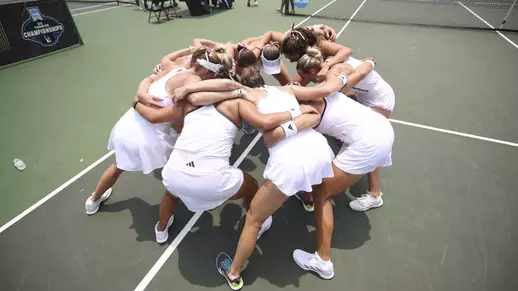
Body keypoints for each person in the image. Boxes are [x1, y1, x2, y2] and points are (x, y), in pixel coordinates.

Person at [171, 67, 350, 290]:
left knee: (254, 219)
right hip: (320, 150)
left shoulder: (245, 94)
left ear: (241, 83)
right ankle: (308, 199)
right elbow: (317, 99)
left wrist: (192, 88)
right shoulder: (286, 89)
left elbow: (200, 97)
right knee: (321, 195)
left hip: (290, 162)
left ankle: (233, 271)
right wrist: (305, 112)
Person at [147, 73, 320, 243]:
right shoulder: (237, 103)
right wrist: (296, 111)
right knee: (251, 184)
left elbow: (170, 121)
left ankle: (161, 229)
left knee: (171, 195)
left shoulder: (190, 103)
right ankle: (258, 222)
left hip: (173, 173)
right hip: (210, 181)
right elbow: (266, 122)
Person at [263, 59, 394, 280]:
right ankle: (374, 194)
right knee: (329, 176)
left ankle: (322, 261)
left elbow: (274, 137)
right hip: (380, 128)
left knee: (322, 194)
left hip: (369, 143)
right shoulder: (326, 92)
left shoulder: (308, 110)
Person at [85, 46, 231, 215]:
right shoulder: (193, 83)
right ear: (207, 72)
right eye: (216, 72)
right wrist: (137, 102)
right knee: (178, 169)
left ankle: (93, 200)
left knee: (118, 166)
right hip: (148, 137)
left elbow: (148, 80)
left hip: (127, 125)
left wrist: (139, 96)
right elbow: (159, 117)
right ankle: (189, 201)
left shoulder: (173, 68)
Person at [295, 47, 396, 212]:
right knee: (357, 134)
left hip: (379, 100)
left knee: (370, 141)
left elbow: (356, 76)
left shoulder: (334, 77)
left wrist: (369, 63)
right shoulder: (331, 71)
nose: (306, 80)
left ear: (313, 71)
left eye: (305, 76)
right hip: (364, 101)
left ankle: (374, 195)